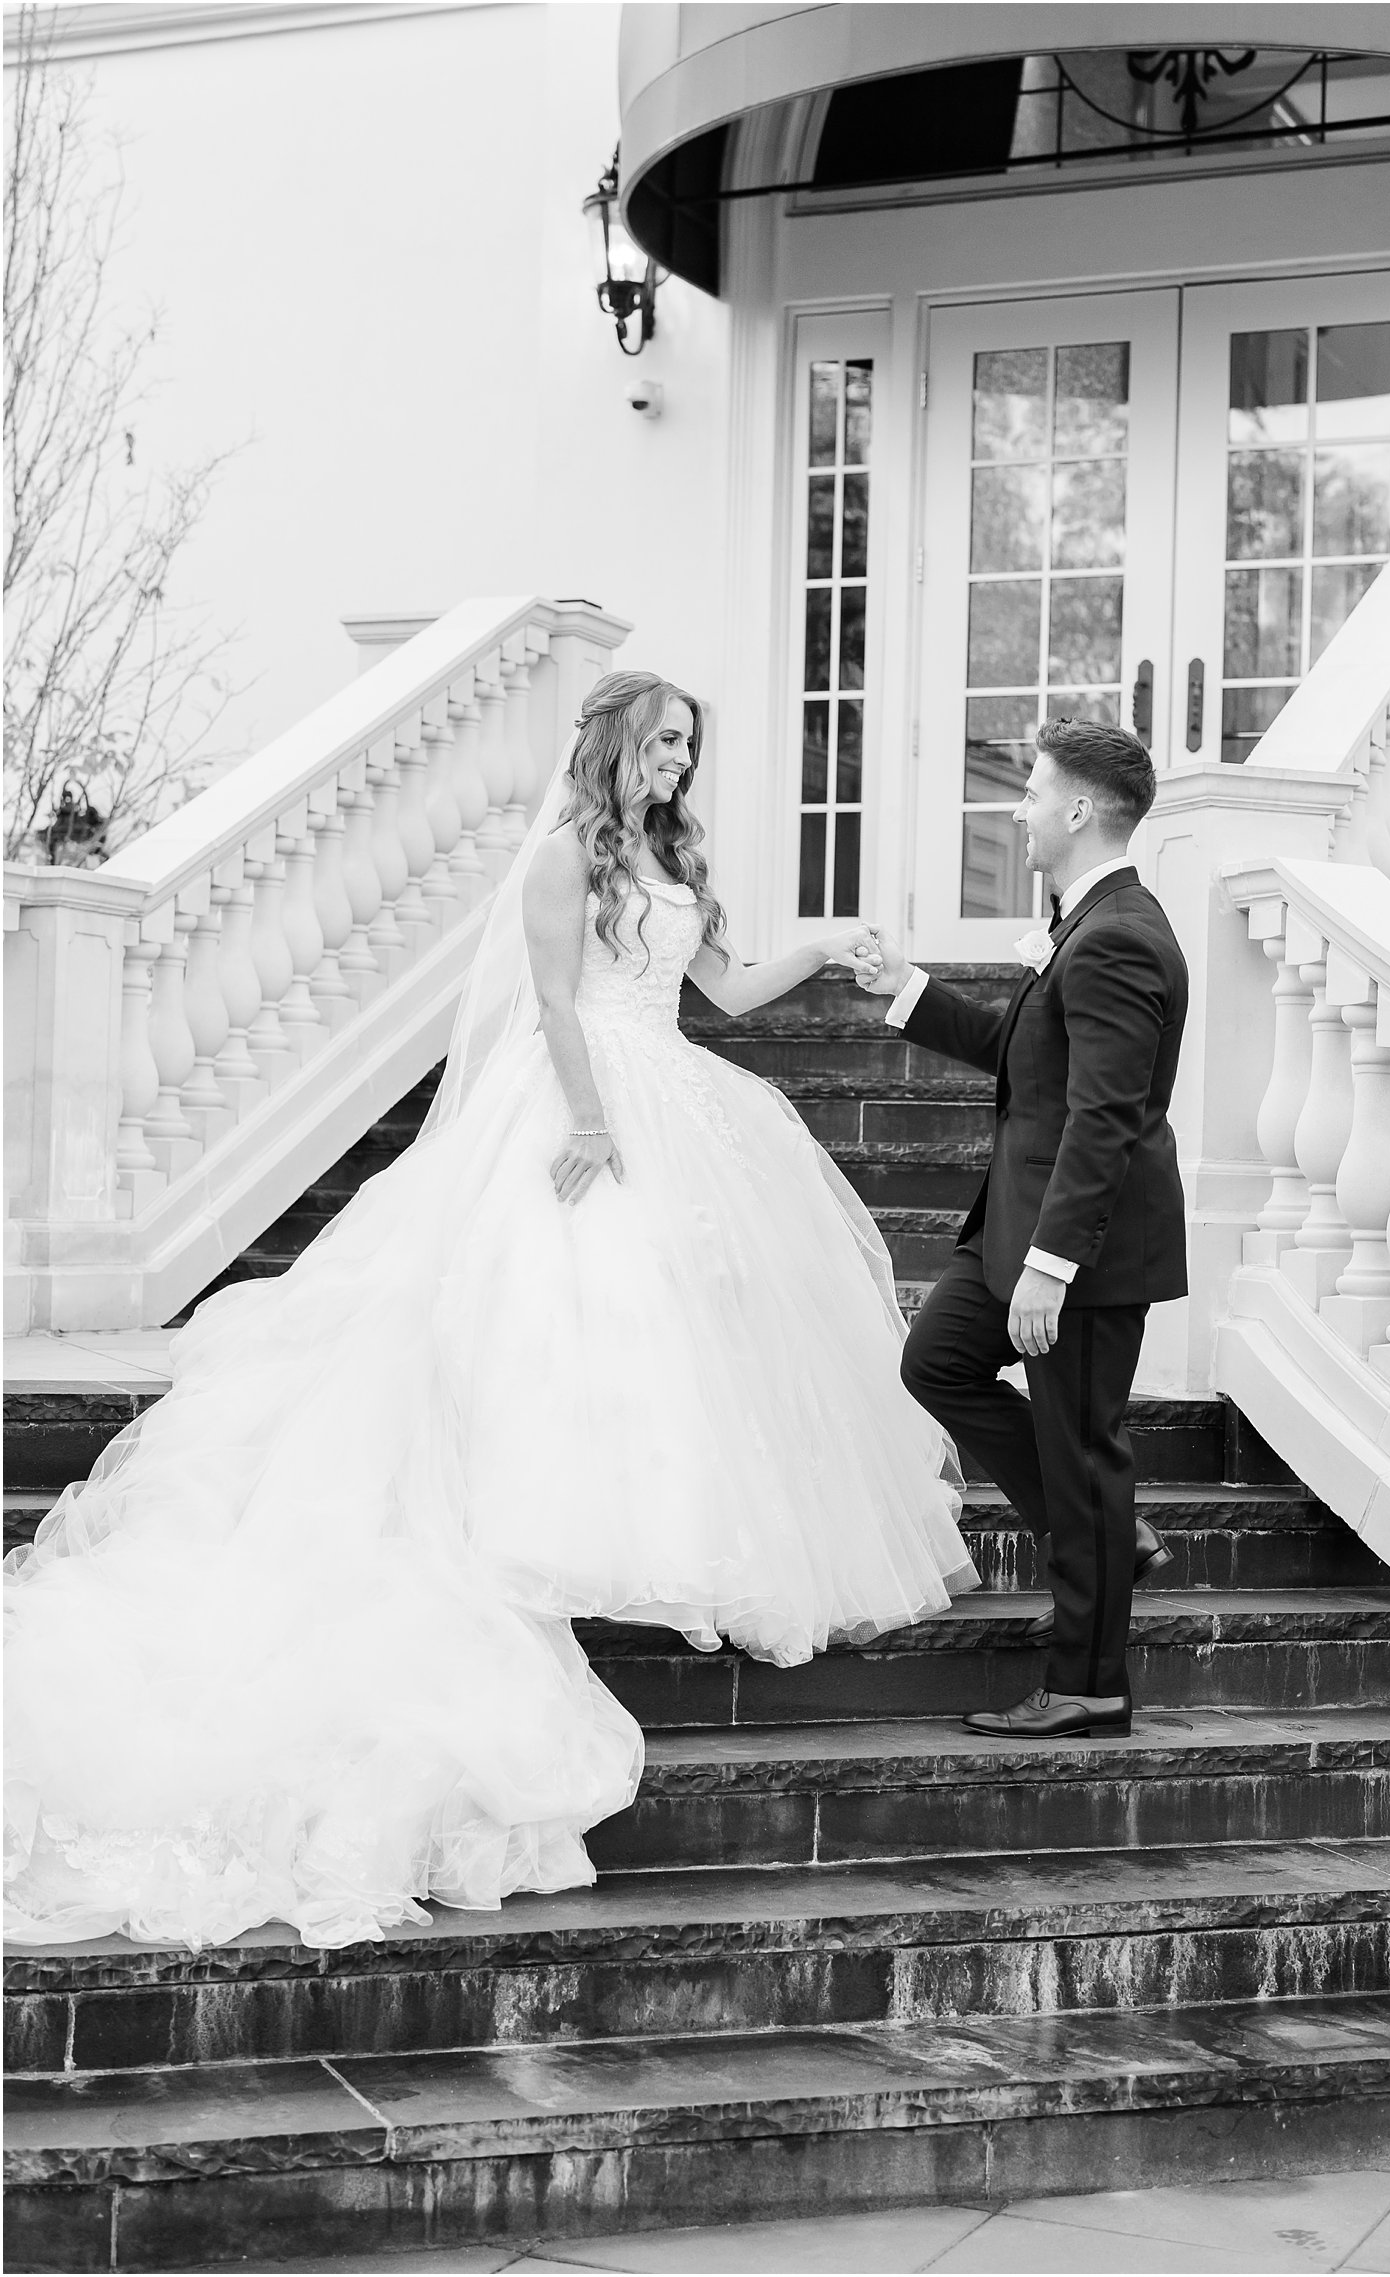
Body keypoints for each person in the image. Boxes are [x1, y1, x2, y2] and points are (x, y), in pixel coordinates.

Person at [4, 671, 975, 1952]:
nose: (682, 757)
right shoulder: (566, 855)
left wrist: (829, 945)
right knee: (555, 1311)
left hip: (675, 1092)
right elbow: (558, 1002)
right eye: (667, 736)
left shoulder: (677, 851)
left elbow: (728, 994)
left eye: (693, 739)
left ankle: (678, 1537)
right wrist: (587, 1122)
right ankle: (542, 1521)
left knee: (673, 1331)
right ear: (620, 740)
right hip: (579, 1099)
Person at [857, 717, 1188, 1740]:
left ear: (1080, 811)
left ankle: (1085, 1682)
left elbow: (1103, 1116)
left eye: (1034, 790)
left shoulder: (1121, 935)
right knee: (938, 1361)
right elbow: (1023, 1052)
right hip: (1013, 1235)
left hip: (1072, 1254)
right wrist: (904, 989)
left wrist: (1049, 1266)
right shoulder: (1092, 925)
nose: (1020, 808)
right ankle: (1101, 1536)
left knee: (1083, 1454)